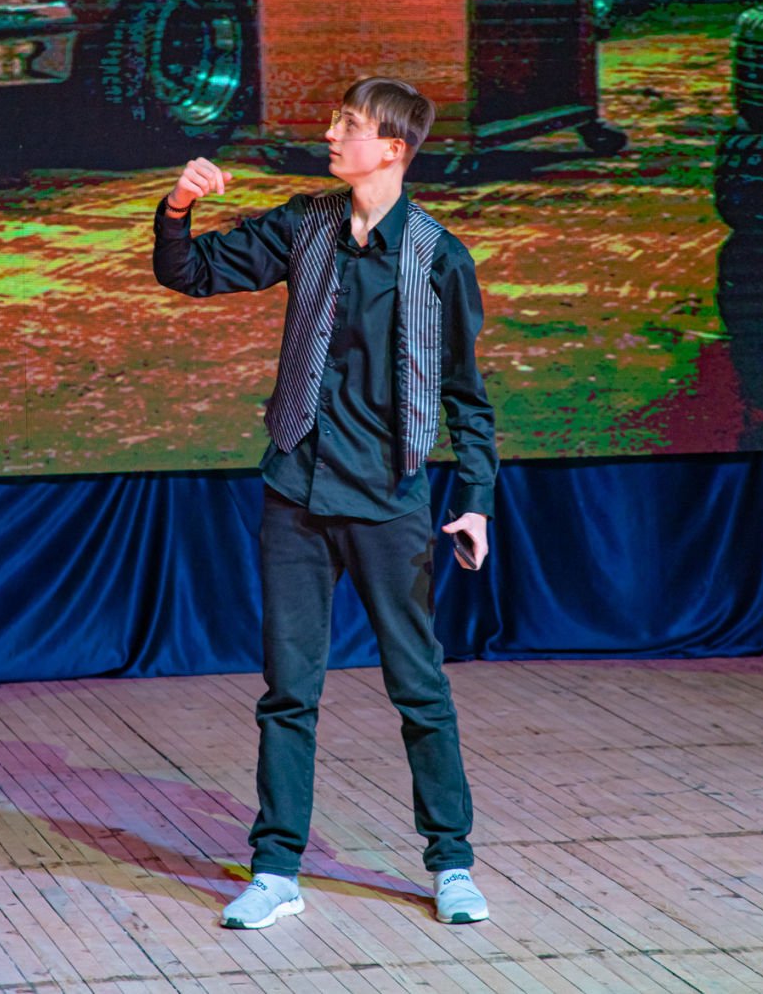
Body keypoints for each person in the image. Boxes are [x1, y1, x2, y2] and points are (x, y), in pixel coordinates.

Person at [153, 77, 497, 928]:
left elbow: (467, 395)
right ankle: (277, 869)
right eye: (338, 120)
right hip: (297, 495)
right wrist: (178, 207)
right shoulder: (304, 224)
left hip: (388, 498)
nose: (333, 134)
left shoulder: (439, 257)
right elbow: (191, 272)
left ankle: (451, 862)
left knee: (418, 686)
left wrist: (475, 498)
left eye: (351, 125)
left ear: (394, 149)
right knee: (288, 690)